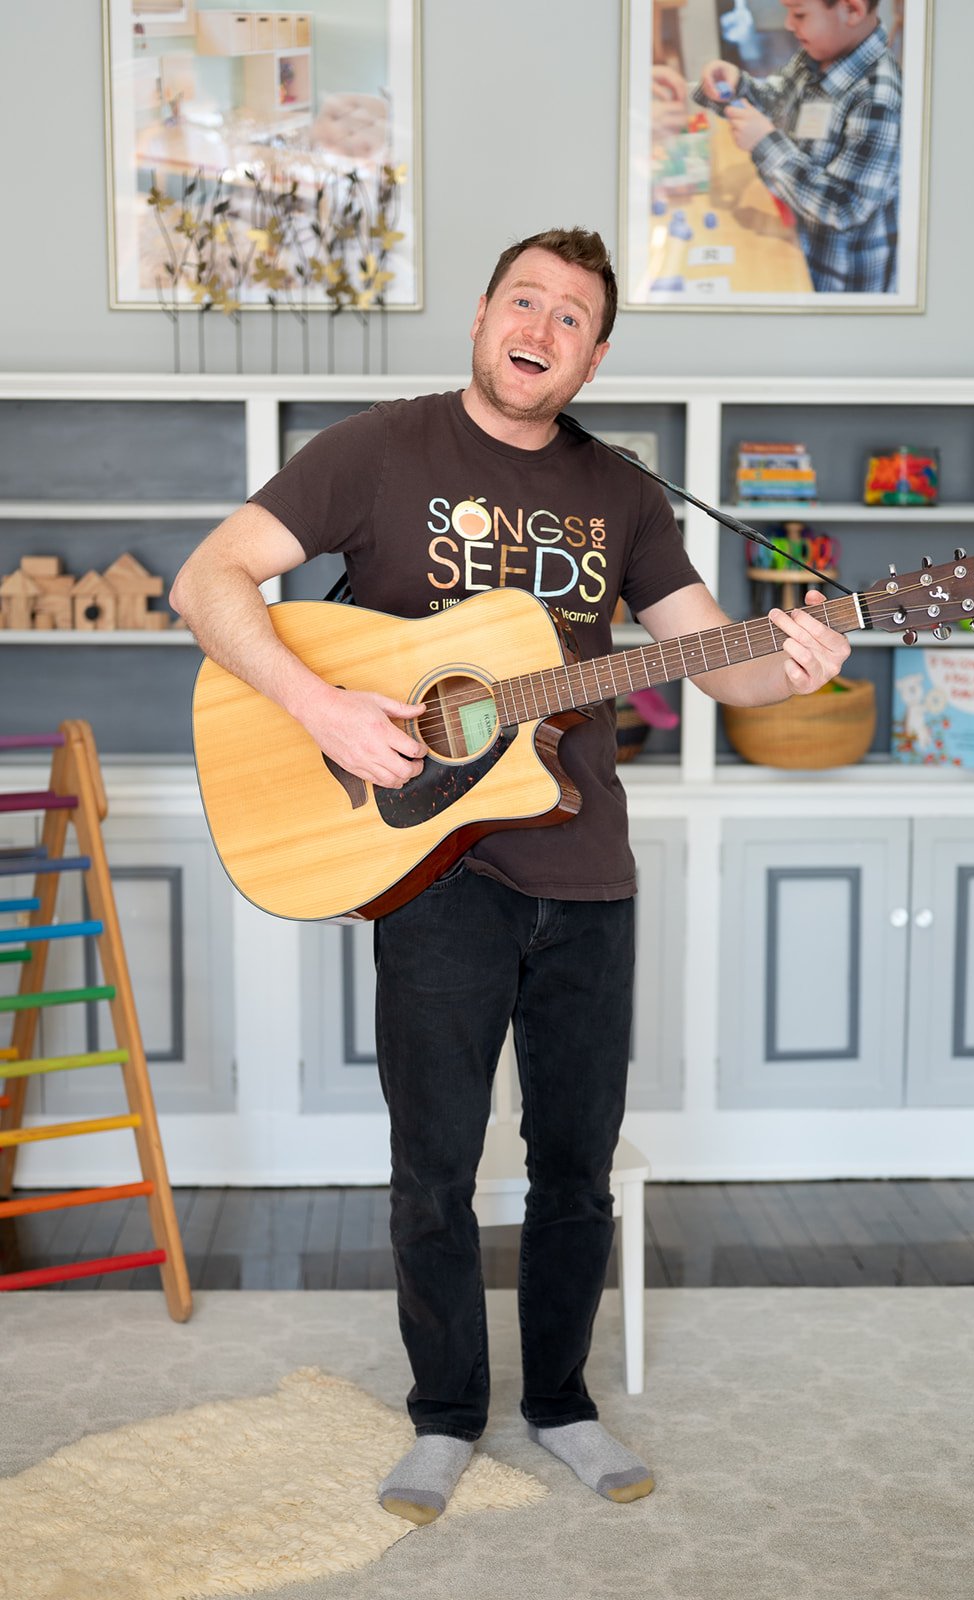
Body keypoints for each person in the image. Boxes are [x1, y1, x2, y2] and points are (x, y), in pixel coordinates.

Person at [169, 226, 849, 1524]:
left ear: (594, 355)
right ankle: (442, 1416)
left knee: (574, 1167)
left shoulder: (629, 498)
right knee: (431, 1164)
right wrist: (320, 709)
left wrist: (795, 660)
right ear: (482, 316)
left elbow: (720, 660)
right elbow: (211, 583)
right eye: (522, 299)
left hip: (585, 872)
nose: (541, 325)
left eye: (573, 316)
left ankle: (560, 1403)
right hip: (430, 873)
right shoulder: (376, 452)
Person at [679, 0, 902, 293]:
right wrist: (735, 86)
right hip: (795, 241)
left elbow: (844, 206)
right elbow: (777, 98)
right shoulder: (816, 55)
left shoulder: (878, 98)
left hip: (836, 283)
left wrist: (764, 142)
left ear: (852, 10)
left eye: (799, 14)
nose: (788, 24)